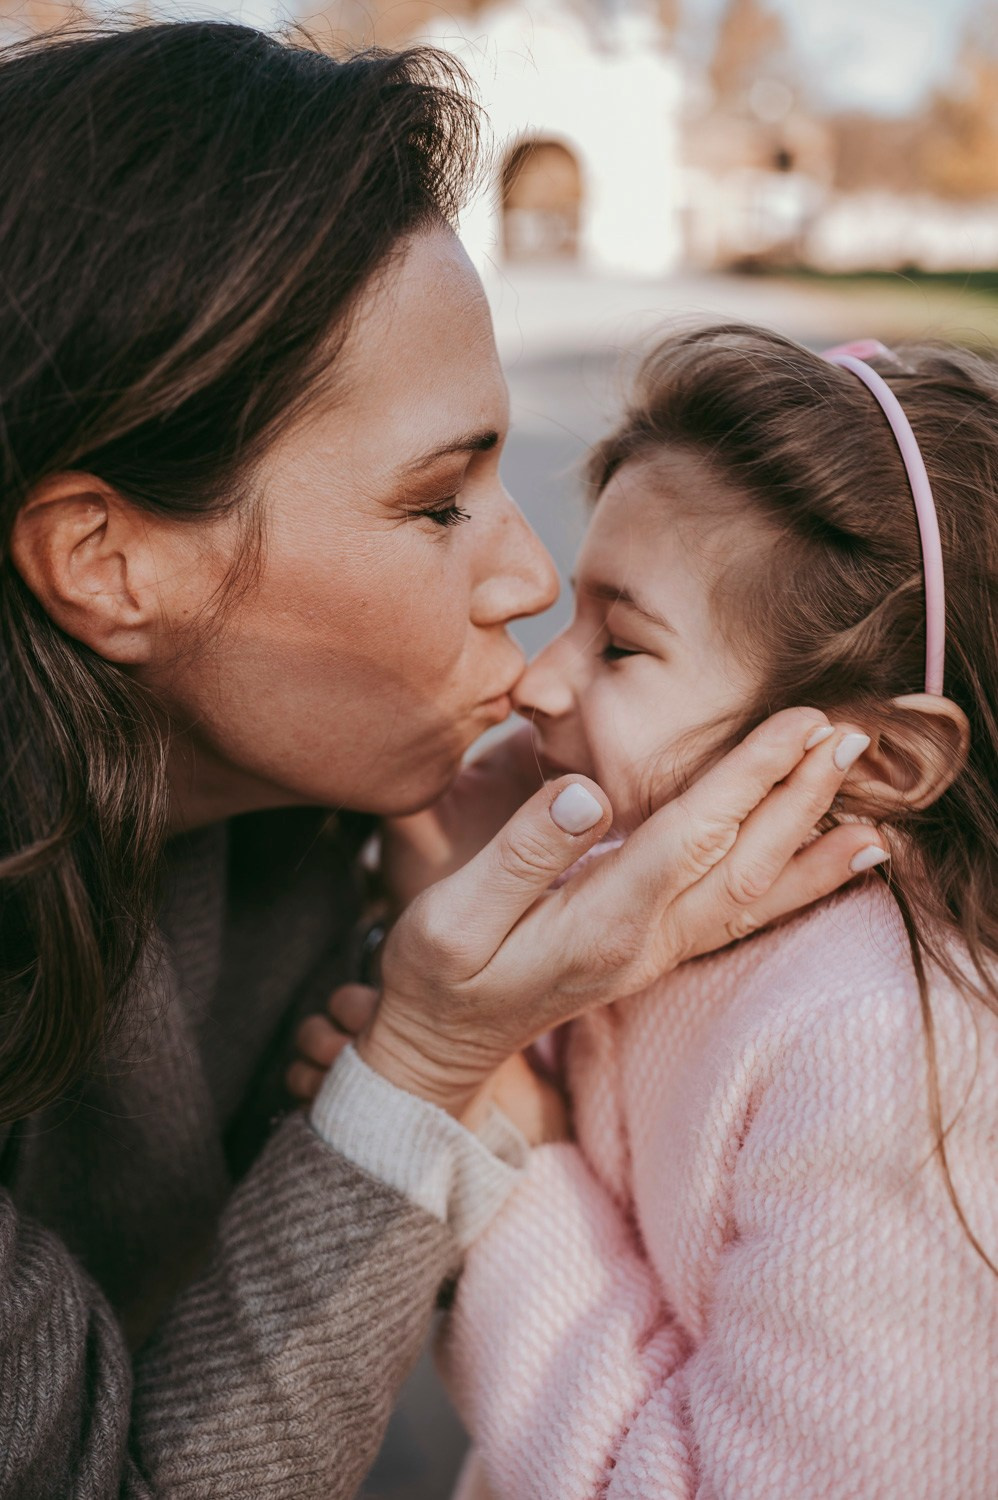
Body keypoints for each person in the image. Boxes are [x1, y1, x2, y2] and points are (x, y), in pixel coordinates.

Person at [0, 20, 884, 1498]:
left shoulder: (289, 835)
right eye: (436, 505)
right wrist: (419, 1058)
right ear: (105, 558)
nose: (528, 575)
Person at [414, 324, 996, 1498]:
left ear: (873, 758)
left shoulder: (892, 1065)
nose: (538, 678)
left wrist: (503, 1156)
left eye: (620, 644)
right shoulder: (650, 884)